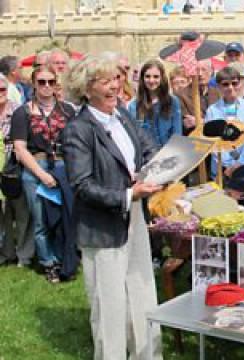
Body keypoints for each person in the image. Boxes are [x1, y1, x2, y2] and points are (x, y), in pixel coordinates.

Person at [63, 55, 163, 359]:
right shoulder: (78, 129)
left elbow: (148, 147)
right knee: (110, 303)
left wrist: (154, 170)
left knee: (141, 288)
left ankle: (146, 353)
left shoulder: (122, 114)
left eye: (117, 78)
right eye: (105, 81)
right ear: (86, 88)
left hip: (133, 215)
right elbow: (83, 186)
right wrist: (128, 193)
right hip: (102, 226)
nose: (115, 86)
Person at [10, 65, 75, 282]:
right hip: (35, 168)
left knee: (64, 216)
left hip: (63, 168)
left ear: (56, 84)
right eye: (41, 82)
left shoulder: (67, 110)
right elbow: (20, 148)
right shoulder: (23, 112)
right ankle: (49, 262)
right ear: (34, 84)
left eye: (50, 82)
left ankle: (65, 258)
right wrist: (41, 174)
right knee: (40, 221)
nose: (46, 86)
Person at [205, 66, 244, 180]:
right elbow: (212, 140)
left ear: (240, 84)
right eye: (225, 84)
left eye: (234, 83)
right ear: (218, 87)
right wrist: (228, 164)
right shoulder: (212, 110)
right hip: (222, 169)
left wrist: (239, 163)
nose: (230, 88)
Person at [0, 74, 30, 266]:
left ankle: (24, 255)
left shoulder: (18, 111)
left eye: (2, 89)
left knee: (21, 213)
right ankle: (6, 252)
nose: (0, 93)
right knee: (2, 214)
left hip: (16, 166)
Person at [128, 59, 182, 146]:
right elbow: (134, 137)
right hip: (145, 156)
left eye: (156, 76)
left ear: (162, 78)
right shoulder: (134, 105)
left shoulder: (173, 102)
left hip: (168, 154)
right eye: (147, 76)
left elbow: (177, 135)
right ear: (142, 78)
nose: (151, 80)